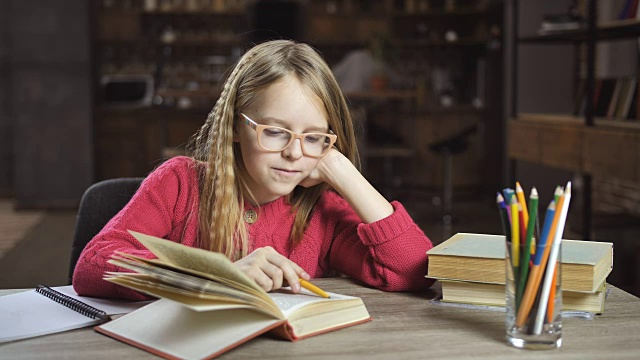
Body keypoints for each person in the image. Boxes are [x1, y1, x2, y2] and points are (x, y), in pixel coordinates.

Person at [73, 40, 434, 300]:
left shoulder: (320, 212)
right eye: (275, 132)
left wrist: (341, 169)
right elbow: (92, 266)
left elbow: (415, 270)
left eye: (313, 137)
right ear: (234, 126)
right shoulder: (179, 183)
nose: (294, 153)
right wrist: (217, 274)